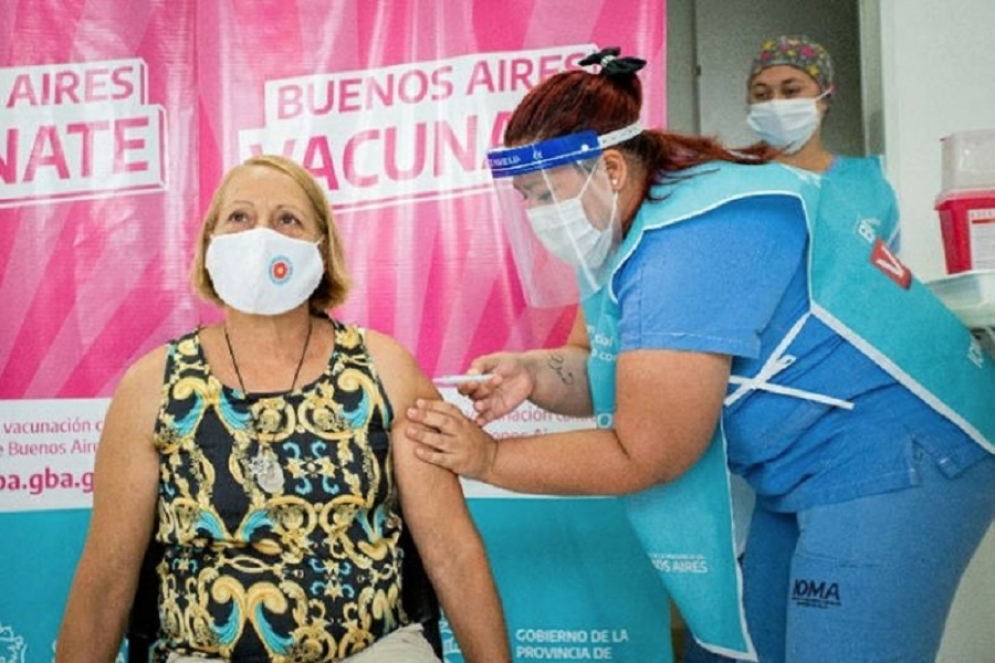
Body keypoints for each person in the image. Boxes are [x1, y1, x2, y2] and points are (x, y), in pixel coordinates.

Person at [403, 46, 995, 663]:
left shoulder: (689, 246)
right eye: (524, 196)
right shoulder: (630, 225)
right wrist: (533, 374)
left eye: (546, 190)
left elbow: (647, 453)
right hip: (802, 466)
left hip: (903, 450)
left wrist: (489, 457)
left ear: (609, 169)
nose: (537, 213)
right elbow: (608, 367)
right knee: (741, 648)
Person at [56, 155, 511, 663]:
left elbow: (452, 554)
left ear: (322, 249)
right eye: (240, 218)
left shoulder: (385, 370)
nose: (261, 236)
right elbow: (106, 580)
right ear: (211, 245)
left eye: (287, 219)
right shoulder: (153, 387)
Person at [745, 35, 900, 250]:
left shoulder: (868, 184)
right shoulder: (739, 184)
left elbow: (886, 276)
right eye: (761, 94)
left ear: (825, 98)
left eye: (791, 91)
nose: (775, 103)